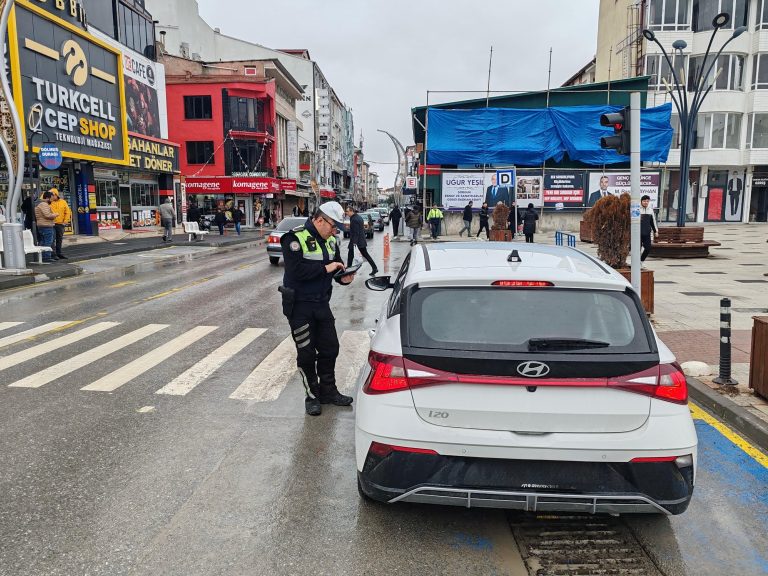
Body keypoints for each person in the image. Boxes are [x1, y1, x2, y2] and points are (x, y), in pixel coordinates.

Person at [279, 201, 355, 416]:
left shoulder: (331, 241)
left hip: (322, 303)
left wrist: (344, 278)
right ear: (320, 219)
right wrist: (326, 267)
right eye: (333, 226)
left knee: (331, 349)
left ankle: (328, 391)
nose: (335, 231)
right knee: (306, 354)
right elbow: (296, 271)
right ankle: (312, 396)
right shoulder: (294, 238)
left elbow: (336, 268)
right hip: (299, 306)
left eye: (337, 228)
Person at [345, 205, 378, 276]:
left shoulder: (354, 219)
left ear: (351, 211)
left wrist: (354, 243)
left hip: (357, 241)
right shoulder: (358, 217)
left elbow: (356, 232)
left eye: (347, 211)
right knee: (353, 255)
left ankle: (348, 270)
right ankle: (374, 268)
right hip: (360, 240)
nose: (346, 213)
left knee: (353, 255)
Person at [34, 191, 57, 262]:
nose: (52, 200)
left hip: (42, 225)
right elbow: (47, 215)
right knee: (47, 242)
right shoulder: (44, 204)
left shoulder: (41, 204)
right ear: (47, 198)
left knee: (43, 241)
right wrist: (55, 214)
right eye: (51, 198)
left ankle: (42, 257)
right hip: (46, 225)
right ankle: (46, 257)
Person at [49, 188, 72, 259]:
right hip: (51, 224)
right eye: (50, 195)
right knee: (52, 239)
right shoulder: (49, 202)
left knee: (59, 239)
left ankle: (59, 253)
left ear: (56, 195)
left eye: (52, 195)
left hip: (60, 224)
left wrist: (65, 221)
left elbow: (67, 212)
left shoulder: (63, 202)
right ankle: (53, 254)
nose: (51, 197)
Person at [640, 194, 658, 262]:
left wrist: (655, 231)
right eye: (644, 201)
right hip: (638, 233)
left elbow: (652, 222)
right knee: (637, 250)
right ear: (641, 201)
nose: (646, 202)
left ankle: (641, 261)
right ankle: (635, 264)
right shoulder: (637, 209)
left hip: (647, 233)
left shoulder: (650, 210)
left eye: (647, 201)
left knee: (648, 248)